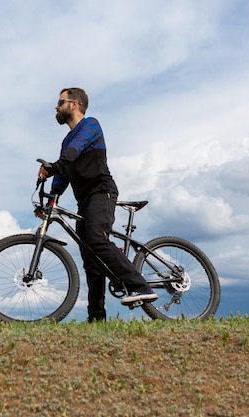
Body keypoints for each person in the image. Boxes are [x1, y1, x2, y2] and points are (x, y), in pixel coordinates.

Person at [38, 87, 158, 322]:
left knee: (96, 238)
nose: (56, 106)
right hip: (85, 200)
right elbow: (63, 174)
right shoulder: (66, 141)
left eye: (60, 102)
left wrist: (55, 165)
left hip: (101, 192)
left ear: (74, 104)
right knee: (90, 259)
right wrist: (50, 201)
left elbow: (74, 152)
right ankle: (96, 318)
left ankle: (140, 286)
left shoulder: (90, 126)